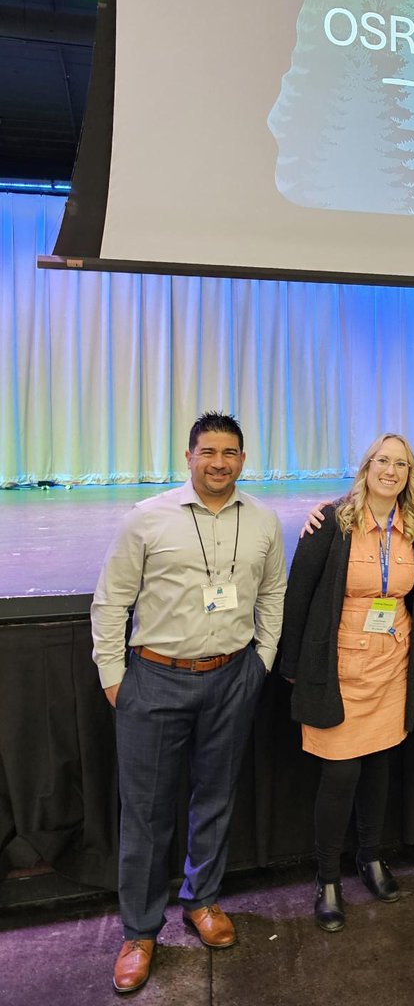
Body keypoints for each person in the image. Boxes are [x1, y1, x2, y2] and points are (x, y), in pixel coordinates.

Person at [90, 411, 286, 993]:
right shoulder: (148, 520)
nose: (219, 462)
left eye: (230, 453)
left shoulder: (263, 521)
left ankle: (202, 901)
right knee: (146, 814)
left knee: (216, 798)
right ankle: (140, 931)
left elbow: (273, 591)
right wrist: (113, 676)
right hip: (154, 680)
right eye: (208, 452)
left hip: (232, 677)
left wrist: (263, 660)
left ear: (243, 459)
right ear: (189, 456)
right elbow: (109, 602)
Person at [279, 434, 414, 932]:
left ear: (411, 473)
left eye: (401, 463)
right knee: (340, 775)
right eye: (382, 461)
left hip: (393, 666)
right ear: (365, 466)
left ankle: (370, 857)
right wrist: (294, 666)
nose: (391, 470)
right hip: (339, 669)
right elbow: (298, 595)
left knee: (380, 767)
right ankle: (326, 879)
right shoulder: (331, 522)